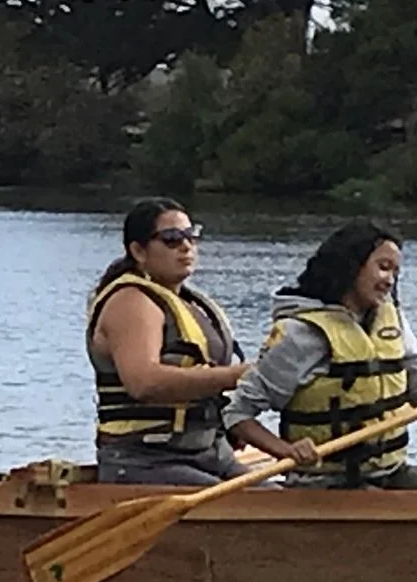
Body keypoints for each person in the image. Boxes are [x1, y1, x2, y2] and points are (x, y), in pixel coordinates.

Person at [225, 218, 417, 489]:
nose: (390, 280)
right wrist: (285, 450)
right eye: (383, 268)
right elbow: (237, 415)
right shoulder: (301, 334)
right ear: (351, 266)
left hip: (391, 472)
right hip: (325, 483)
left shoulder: (393, 325)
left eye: (395, 272)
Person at [85, 197, 292, 486]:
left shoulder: (192, 304)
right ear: (138, 250)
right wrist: (239, 375)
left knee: (279, 502)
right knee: (259, 509)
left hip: (210, 452)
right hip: (145, 459)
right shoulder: (130, 302)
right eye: (171, 239)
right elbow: (143, 382)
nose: (186, 246)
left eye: (191, 236)